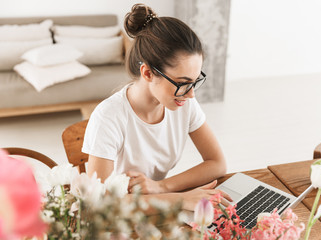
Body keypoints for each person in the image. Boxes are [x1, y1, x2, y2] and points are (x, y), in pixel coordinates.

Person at [82, 3, 231, 211]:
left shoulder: (184, 102)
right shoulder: (109, 117)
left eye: (195, 81)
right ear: (148, 73)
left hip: (151, 211)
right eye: (182, 83)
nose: (191, 94)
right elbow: (100, 202)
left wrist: (161, 186)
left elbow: (217, 163)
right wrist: (180, 200)